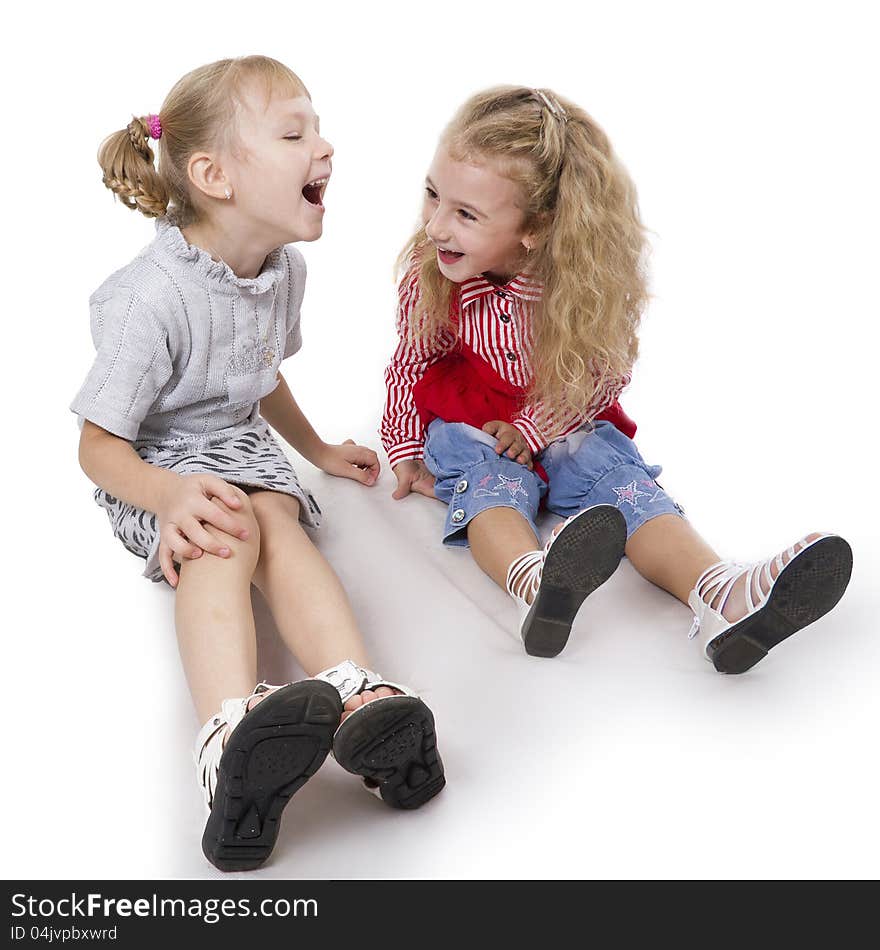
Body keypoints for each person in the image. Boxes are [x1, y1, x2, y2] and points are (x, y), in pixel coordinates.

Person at [71, 56, 444, 872]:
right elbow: (97, 445)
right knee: (225, 534)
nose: (326, 147)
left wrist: (314, 452)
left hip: (241, 445)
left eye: (317, 126)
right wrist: (167, 495)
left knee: (279, 520)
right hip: (158, 460)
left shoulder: (283, 272)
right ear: (213, 175)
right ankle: (225, 739)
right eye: (294, 131)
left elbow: (260, 373)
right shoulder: (146, 298)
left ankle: (357, 692)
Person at [382, 85, 852, 665]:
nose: (435, 227)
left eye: (465, 214)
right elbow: (413, 362)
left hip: (565, 408)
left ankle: (719, 594)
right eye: (433, 196)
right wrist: (403, 446)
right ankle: (535, 583)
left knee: (615, 478)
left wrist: (533, 430)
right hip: (473, 412)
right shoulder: (430, 273)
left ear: (535, 226)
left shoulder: (579, 284)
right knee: (486, 478)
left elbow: (599, 373)